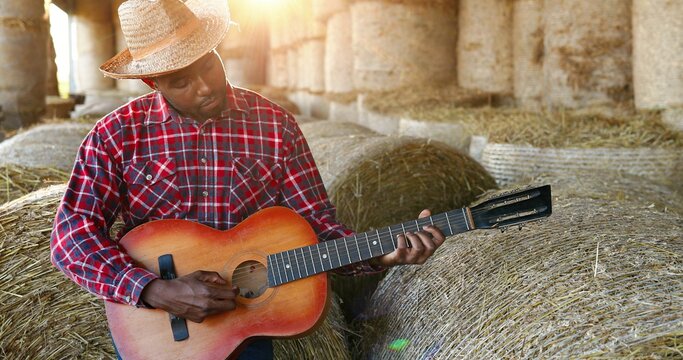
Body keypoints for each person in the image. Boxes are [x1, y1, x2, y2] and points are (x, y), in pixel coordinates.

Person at [50, 0, 445, 359]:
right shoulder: (115, 135)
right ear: (153, 82)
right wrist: (153, 290)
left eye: (207, 65)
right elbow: (71, 236)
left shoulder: (276, 127)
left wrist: (382, 254)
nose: (204, 87)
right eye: (181, 81)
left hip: (248, 325)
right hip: (160, 334)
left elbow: (317, 229)